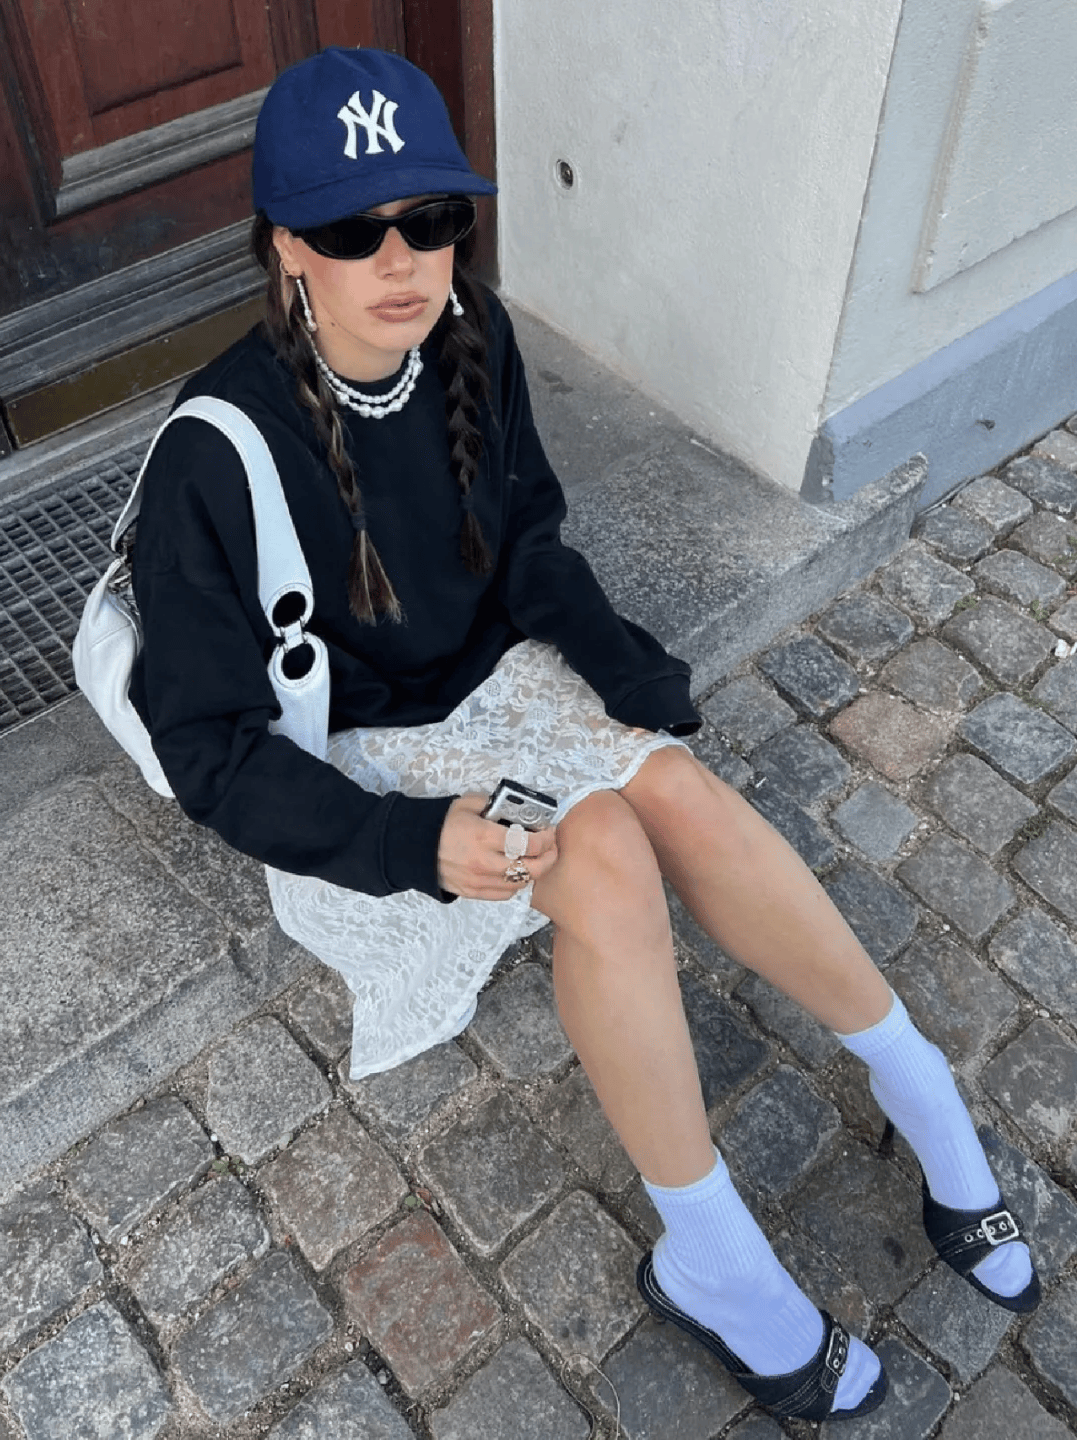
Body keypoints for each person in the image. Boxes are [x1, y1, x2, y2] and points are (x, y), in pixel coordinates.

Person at [129, 47, 1039, 1424]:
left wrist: (617, 666)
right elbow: (208, 748)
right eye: (352, 229)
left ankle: (917, 1086)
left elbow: (529, 540)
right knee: (601, 846)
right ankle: (713, 1261)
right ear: (285, 246)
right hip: (366, 762)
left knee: (676, 786)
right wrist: (410, 843)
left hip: (492, 687)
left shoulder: (469, 337)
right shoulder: (215, 449)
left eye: (432, 218)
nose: (401, 259)